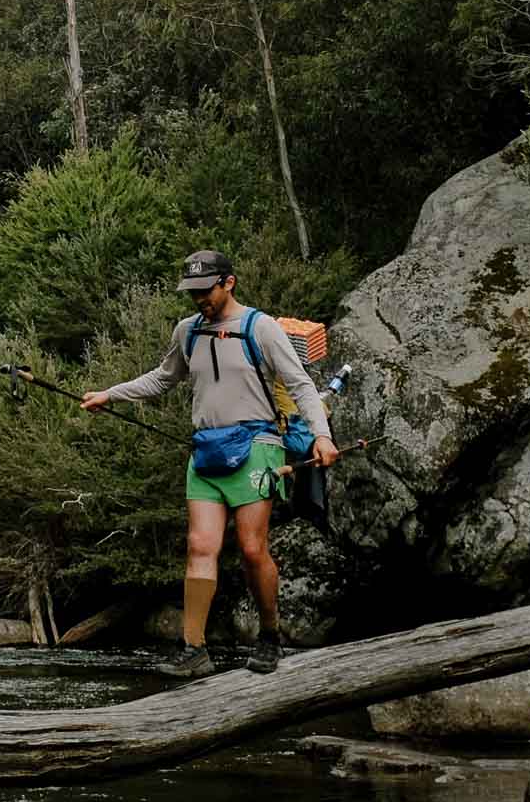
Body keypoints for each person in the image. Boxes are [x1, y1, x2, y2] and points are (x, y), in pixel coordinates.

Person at [80, 251, 338, 678]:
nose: (198, 299)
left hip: (258, 446)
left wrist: (322, 436)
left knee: (253, 550)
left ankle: (270, 635)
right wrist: (111, 394)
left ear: (228, 283)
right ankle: (194, 648)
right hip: (205, 452)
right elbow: (162, 377)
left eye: (205, 290)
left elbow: (301, 386)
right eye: (192, 292)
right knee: (200, 547)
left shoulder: (261, 328)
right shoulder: (188, 332)